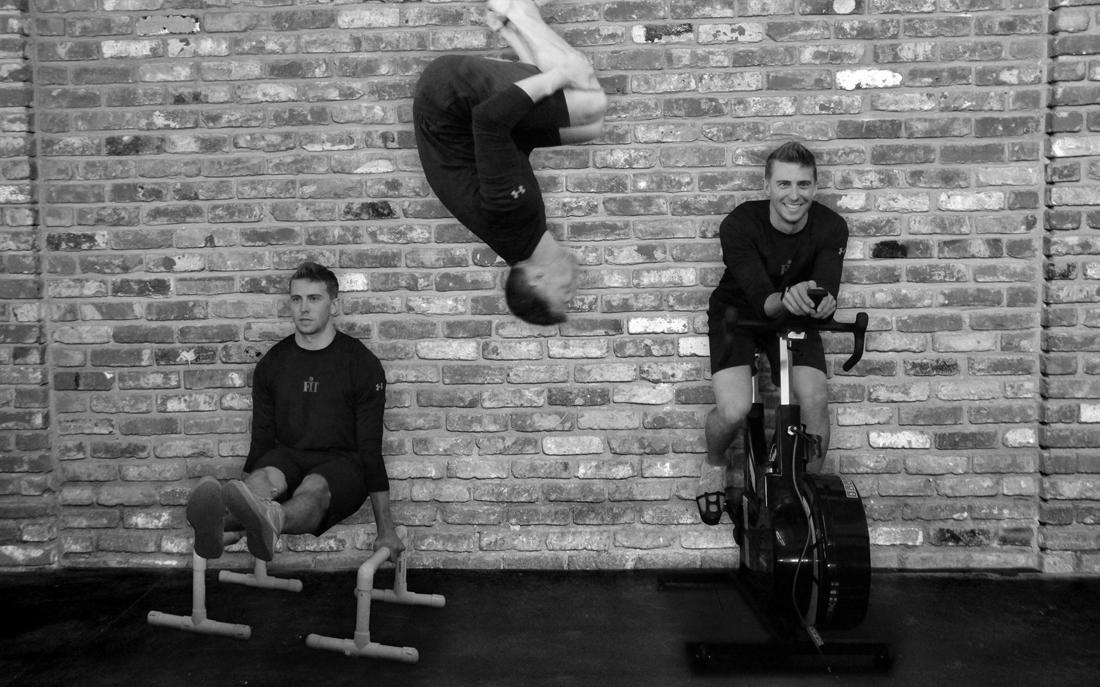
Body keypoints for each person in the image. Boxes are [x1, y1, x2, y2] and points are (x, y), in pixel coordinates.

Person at [185, 262, 403, 562]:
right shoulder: (272, 364)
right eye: (296, 299)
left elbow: (370, 450)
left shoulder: (361, 364)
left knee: (314, 488)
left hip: (343, 463)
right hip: (288, 456)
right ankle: (228, 524)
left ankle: (248, 523)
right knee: (262, 479)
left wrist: (386, 530)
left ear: (333, 304)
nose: (304, 308)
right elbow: (261, 442)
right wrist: (244, 491)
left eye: (314, 298)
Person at [413, 0, 607, 325]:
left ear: (537, 278)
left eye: (565, 293)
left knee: (590, 101)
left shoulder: (511, 215)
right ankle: (510, 26)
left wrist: (560, 75)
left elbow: (490, 121)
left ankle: (516, 10)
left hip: (450, 98)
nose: (575, 288)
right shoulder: (523, 237)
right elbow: (513, 143)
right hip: (461, 115)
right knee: (591, 127)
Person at [698, 141, 849, 528]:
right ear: (767, 185)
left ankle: (804, 496)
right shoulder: (739, 224)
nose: (794, 195)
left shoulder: (831, 226)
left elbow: (824, 292)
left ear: (815, 186)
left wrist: (822, 304)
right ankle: (713, 464)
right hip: (739, 313)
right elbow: (765, 302)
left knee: (814, 400)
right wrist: (791, 296)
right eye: (784, 184)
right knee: (734, 410)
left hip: (794, 313)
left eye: (803, 184)